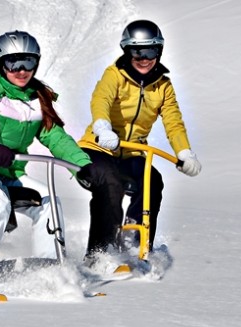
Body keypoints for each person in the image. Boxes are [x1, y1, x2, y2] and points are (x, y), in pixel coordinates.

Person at [0, 31, 93, 276]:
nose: (21, 70)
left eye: (28, 62)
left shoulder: (38, 98)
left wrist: (82, 165)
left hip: (8, 169)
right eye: (12, 63)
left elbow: (55, 137)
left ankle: (50, 268)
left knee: (49, 201)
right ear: (0, 63)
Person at [76, 20, 202, 259]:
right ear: (127, 51)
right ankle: (99, 253)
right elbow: (101, 99)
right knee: (110, 183)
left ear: (159, 51)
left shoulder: (163, 86)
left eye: (150, 51)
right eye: (137, 52)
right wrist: (103, 128)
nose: (144, 59)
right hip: (98, 148)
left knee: (152, 181)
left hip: (131, 152)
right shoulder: (114, 75)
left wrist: (184, 152)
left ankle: (135, 243)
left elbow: (173, 121)